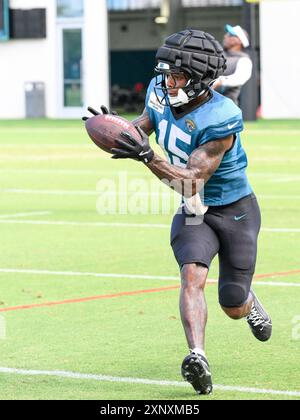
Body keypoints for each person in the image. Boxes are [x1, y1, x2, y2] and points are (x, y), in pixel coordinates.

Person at [83, 29, 272, 396]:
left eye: (178, 76)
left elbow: (191, 180)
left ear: (201, 80)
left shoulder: (222, 117)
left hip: (234, 210)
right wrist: (122, 130)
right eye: (167, 73)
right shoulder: (159, 90)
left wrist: (148, 156)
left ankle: (249, 301)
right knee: (192, 275)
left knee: (232, 303)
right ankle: (197, 356)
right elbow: (145, 125)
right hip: (194, 212)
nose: (169, 82)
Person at [212, 24, 253, 105]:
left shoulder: (244, 60)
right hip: (207, 106)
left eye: (230, 35)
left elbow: (239, 78)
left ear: (239, 41)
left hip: (227, 108)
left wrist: (220, 81)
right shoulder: (218, 55)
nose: (225, 36)